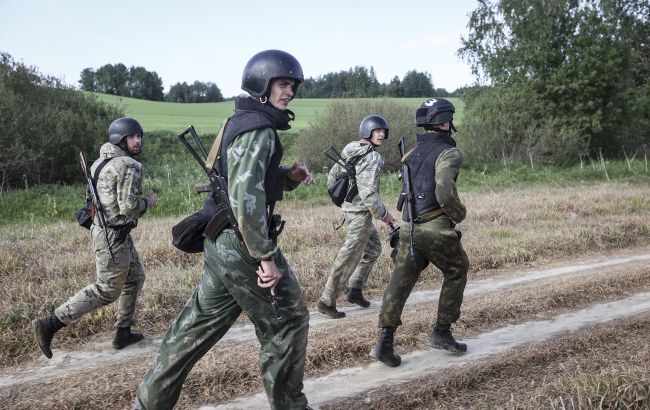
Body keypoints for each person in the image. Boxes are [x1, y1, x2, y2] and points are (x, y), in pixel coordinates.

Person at [133, 50, 314, 410]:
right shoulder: (259, 130)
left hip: (220, 239)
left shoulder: (239, 120)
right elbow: (245, 198)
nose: (290, 91)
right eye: (282, 83)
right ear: (261, 85)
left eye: (292, 85)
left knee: (194, 329)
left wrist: (287, 178)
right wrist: (264, 257)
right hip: (241, 242)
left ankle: (147, 404)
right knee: (289, 320)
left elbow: (242, 181)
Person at [32, 117, 158, 358]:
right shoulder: (129, 165)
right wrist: (148, 202)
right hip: (113, 235)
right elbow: (129, 206)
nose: (138, 140)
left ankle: (123, 332)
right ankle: (49, 324)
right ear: (120, 140)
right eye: (133, 137)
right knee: (106, 290)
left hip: (106, 230)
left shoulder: (99, 163)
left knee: (135, 277)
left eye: (140, 136)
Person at [372, 98, 470, 367]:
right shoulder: (450, 153)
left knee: (400, 282)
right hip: (435, 228)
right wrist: (458, 214)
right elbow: (443, 190)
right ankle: (441, 332)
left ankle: (384, 341)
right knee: (457, 269)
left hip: (407, 227)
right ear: (444, 121)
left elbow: (405, 195)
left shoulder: (410, 154)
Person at [318, 115, 396, 319]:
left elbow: (332, 178)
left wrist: (343, 204)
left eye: (383, 131)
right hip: (360, 215)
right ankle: (327, 301)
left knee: (373, 249)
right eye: (377, 131)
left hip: (355, 212)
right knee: (347, 258)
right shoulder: (372, 157)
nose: (381, 134)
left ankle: (355, 290)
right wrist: (386, 216)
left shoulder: (350, 149)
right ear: (367, 132)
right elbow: (369, 195)